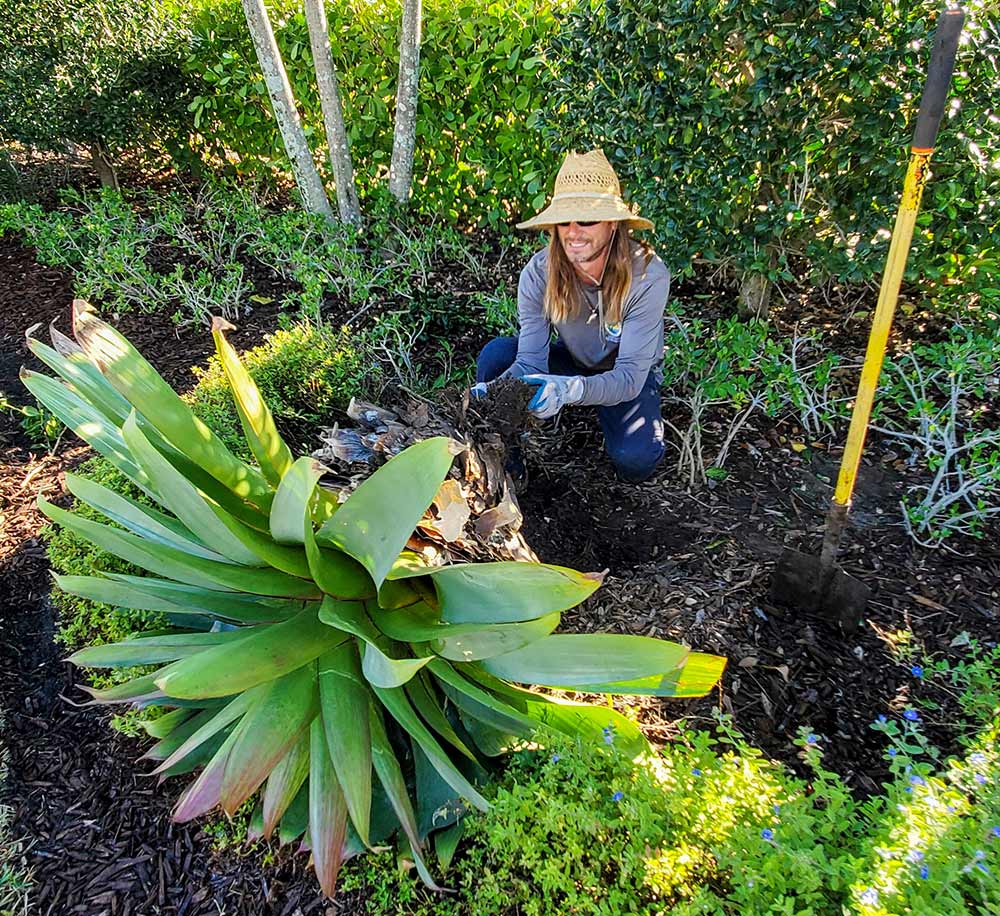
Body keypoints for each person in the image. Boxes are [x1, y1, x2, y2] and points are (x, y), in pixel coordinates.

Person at [474, 148, 670, 483]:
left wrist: (570, 392)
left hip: (625, 370)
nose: (573, 232)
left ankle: (617, 428)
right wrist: (487, 395)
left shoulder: (647, 276)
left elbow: (628, 377)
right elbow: (531, 361)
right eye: (564, 220)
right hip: (573, 360)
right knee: (496, 356)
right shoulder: (538, 273)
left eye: (588, 220)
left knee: (636, 458)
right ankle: (509, 460)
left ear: (613, 225)